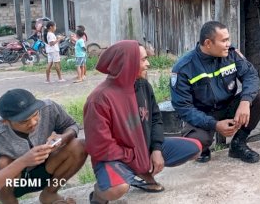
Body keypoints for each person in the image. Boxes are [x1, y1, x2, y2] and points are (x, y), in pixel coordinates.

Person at [84, 41, 202, 203]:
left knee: (196, 148)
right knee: (117, 189)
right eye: (143, 59)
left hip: (143, 149)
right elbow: (101, 147)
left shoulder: (143, 86)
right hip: (116, 159)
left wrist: (157, 149)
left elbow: (155, 119)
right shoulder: (99, 99)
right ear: (127, 63)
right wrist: (136, 159)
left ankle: (142, 172)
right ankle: (98, 195)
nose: (148, 64)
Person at [171, 21, 260, 164]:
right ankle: (204, 149)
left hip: (227, 107)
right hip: (202, 114)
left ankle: (238, 144)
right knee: (196, 142)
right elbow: (183, 107)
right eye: (224, 40)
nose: (228, 44)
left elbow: (250, 75)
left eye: (228, 39)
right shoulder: (184, 67)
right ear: (208, 43)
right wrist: (215, 125)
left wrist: (245, 101)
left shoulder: (232, 55)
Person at [0, 89, 86, 204]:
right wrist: (23, 161)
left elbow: (71, 125)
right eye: (24, 121)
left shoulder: (48, 107)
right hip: (14, 184)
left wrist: (63, 137)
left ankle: (49, 194)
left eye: (35, 115)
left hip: (47, 172)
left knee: (79, 145)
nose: (33, 122)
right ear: (5, 121)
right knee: (3, 162)